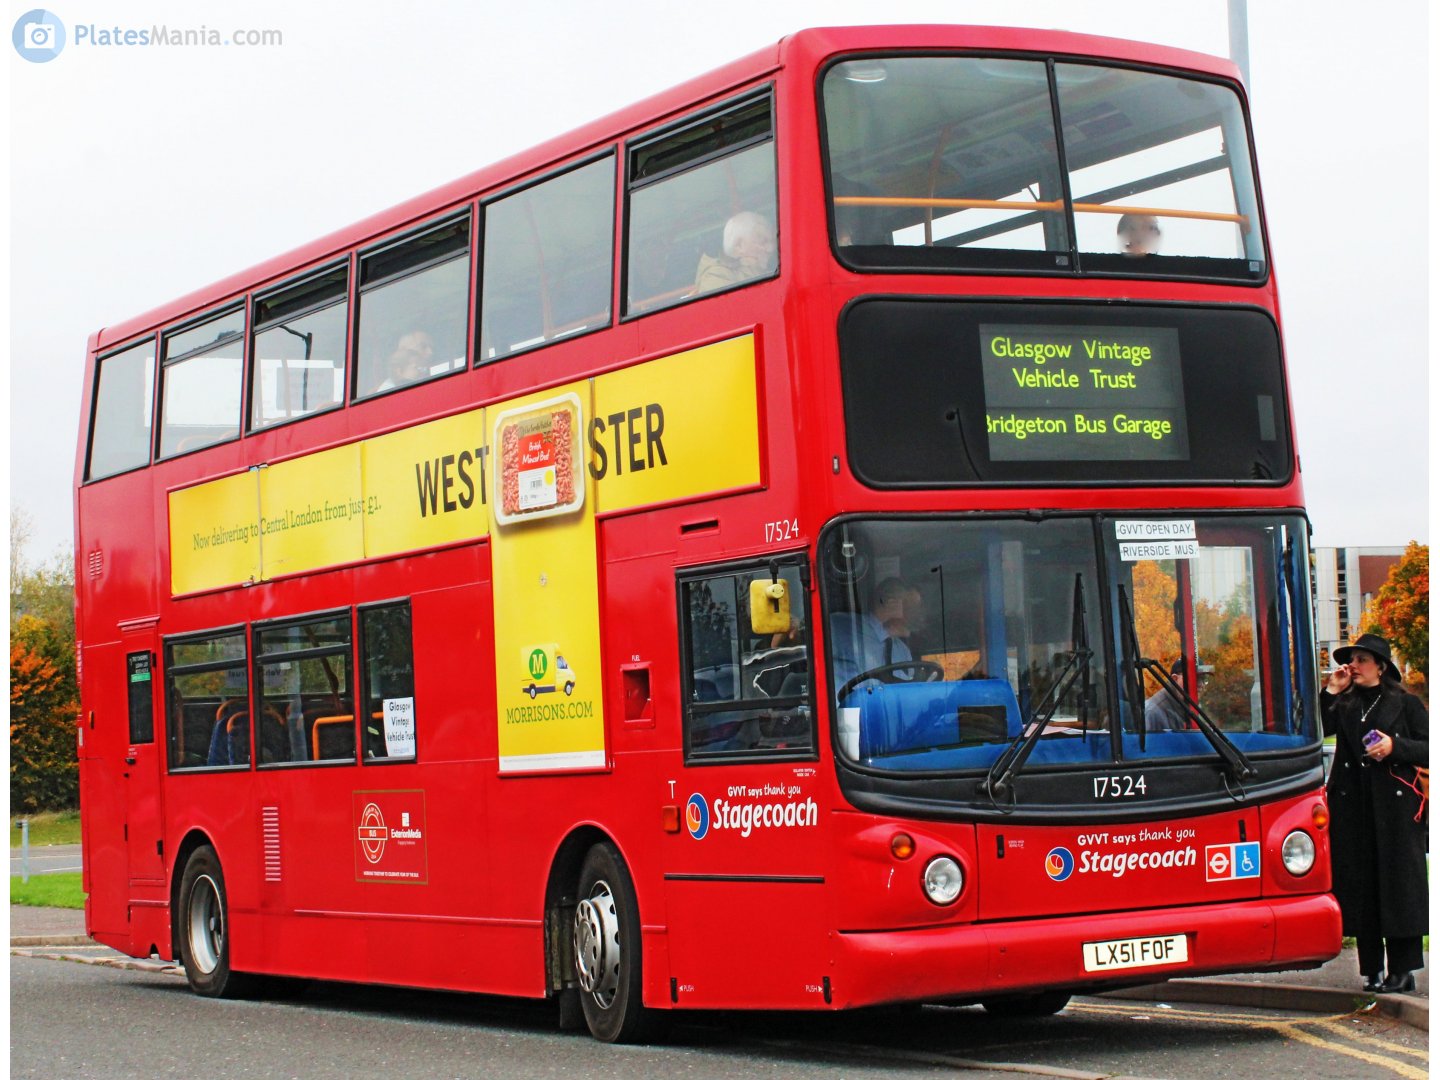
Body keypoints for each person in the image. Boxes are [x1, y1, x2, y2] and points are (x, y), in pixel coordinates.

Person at [1321, 633, 1428, 994]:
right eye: (1350, 660)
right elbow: (1318, 728)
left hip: (1395, 810)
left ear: (1380, 667)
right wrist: (1331, 690)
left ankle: (1403, 969)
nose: (1353, 666)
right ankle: (1372, 969)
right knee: (1362, 887)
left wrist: (1395, 746)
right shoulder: (1345, 702)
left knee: (1398, 887)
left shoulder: (1405, 703)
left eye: (1361, 659)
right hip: (1354, 807)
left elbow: (1429, 747)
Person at [830, 577, 925, 692]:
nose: (919, 616)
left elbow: (908, 693)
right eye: (912, 607)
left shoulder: (903, 651)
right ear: (890, 603)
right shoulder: (843, 628)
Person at [695, 211, 776, 293]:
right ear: (739, 246)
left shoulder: (766, 267)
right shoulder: (715, 277)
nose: (770, 249)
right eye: (763, 241)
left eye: (772, 241)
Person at [1144, 660, 1211, 732]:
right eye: (1194, 678)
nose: (1201, 684)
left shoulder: (1190, 706)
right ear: (1175, 679)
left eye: (1203, 678)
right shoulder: (1153, 713)